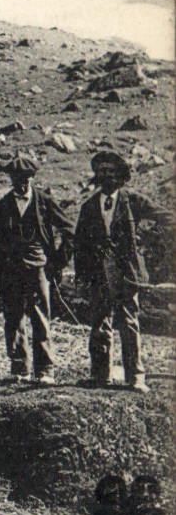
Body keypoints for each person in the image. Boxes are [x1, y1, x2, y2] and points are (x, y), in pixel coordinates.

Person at [73, 146, 161, 393]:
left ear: (121, 176)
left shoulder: (133, 201)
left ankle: (135, 377)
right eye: (101, 171)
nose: (106, 176)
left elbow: (165, 218)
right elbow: (79, 243)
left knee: (129, 322)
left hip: (126, 273)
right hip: (99, 273)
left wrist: (149, 245)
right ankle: (100, 375)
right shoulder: (89, 206)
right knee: (100, 322)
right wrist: (82, 275)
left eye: (111, 172)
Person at [0, 151, 74, 385]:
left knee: (41, 318)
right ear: (10, 179)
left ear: (32, 177)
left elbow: (69, 231)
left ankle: (45, 370)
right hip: (10, 271)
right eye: (16, 178)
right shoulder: (2, 206)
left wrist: (58, 261)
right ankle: (19, 368)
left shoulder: (44, 202)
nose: (21, 183)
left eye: (26, 178)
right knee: (13, 318)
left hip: (38, 269)